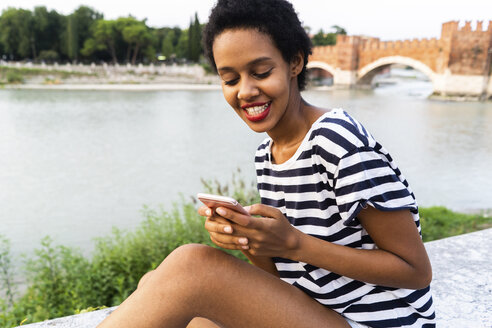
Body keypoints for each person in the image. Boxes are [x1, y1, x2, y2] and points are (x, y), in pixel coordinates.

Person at [98, 0, 436, 327]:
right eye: (230, 80)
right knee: (159, 287)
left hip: (378, 320)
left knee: (191, 267)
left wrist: (293, 242)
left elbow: (415, 269)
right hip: (319, 311)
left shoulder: (337, 140)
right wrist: (248, 239)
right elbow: (286, 277)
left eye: (260, 72)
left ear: (295, 62)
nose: (245, 91)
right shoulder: (266, 153)